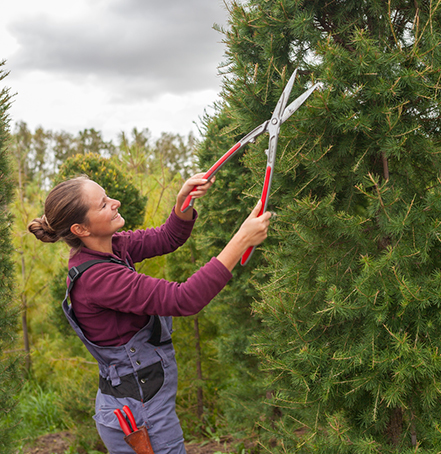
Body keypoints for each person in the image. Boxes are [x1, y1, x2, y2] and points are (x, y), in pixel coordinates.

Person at [28, 173, 271, 454]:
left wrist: (183, 203)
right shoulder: (99, 279)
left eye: (108, 196)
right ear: (80, 229)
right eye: (104, 204)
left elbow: (167, 237)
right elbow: (184, 299)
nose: (116, 203)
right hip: (140, 414)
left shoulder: (110, 247)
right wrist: (241, 240)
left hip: (136, 401)